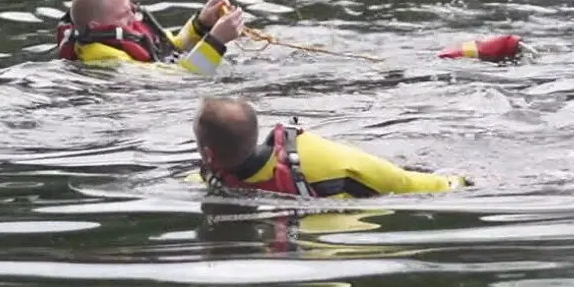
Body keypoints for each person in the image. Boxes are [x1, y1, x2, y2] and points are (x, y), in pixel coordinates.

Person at [194, 96, 470, 198]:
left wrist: (460, 181)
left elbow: (406, 181)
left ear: (208, 154)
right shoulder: (207, 179)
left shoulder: (325, 161)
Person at [56, 0, 247, 76]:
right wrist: (216, 41)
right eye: (125, 16)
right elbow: (185, 78)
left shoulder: (127, 29)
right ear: (97, 26)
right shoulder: (105, 58)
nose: (134, 17)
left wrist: (202, 24)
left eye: (132, 9)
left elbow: (172, 49)